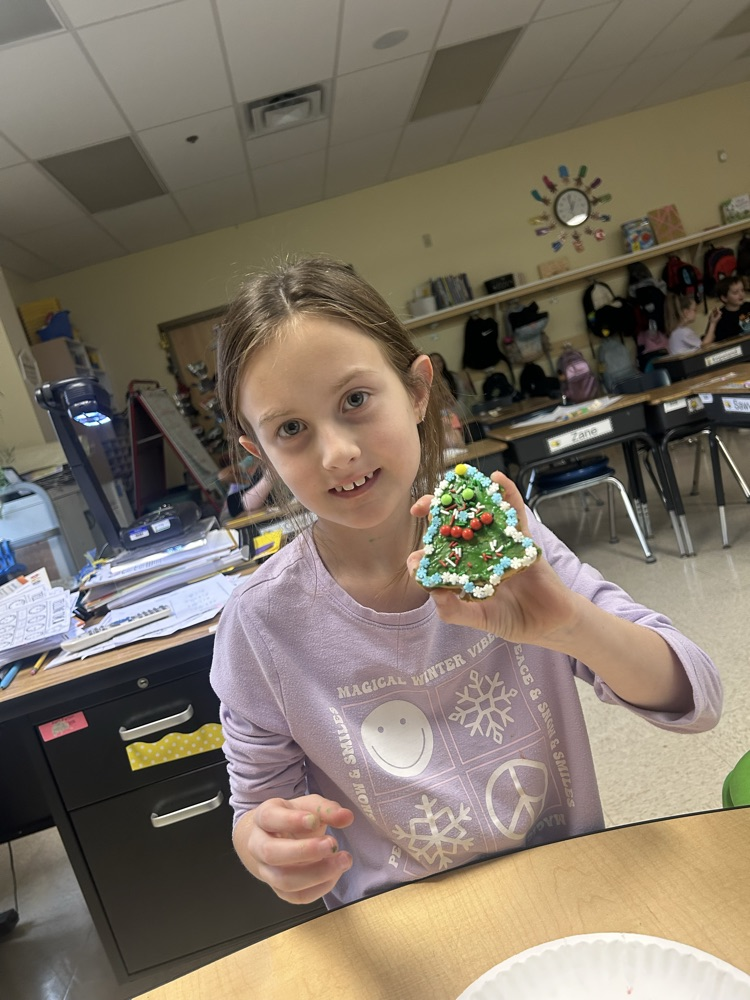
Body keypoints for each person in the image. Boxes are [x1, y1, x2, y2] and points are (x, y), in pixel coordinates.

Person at [210, 256, 722, 910]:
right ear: (259, 453)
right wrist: (269, 850)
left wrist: (570, 624)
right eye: (290, 429)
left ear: (417, 391)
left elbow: (696, 696)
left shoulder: (504, 544)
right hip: (406, 924)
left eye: (355, 400)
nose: (336, 452)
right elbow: (257, 807)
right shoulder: (261, 623)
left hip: (566, 891)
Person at [712, 275, 750, 343]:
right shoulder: (720, 317)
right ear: (724, 298)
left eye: (742, 290)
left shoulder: (748, 306)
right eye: (735, 292)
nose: (741, 294)